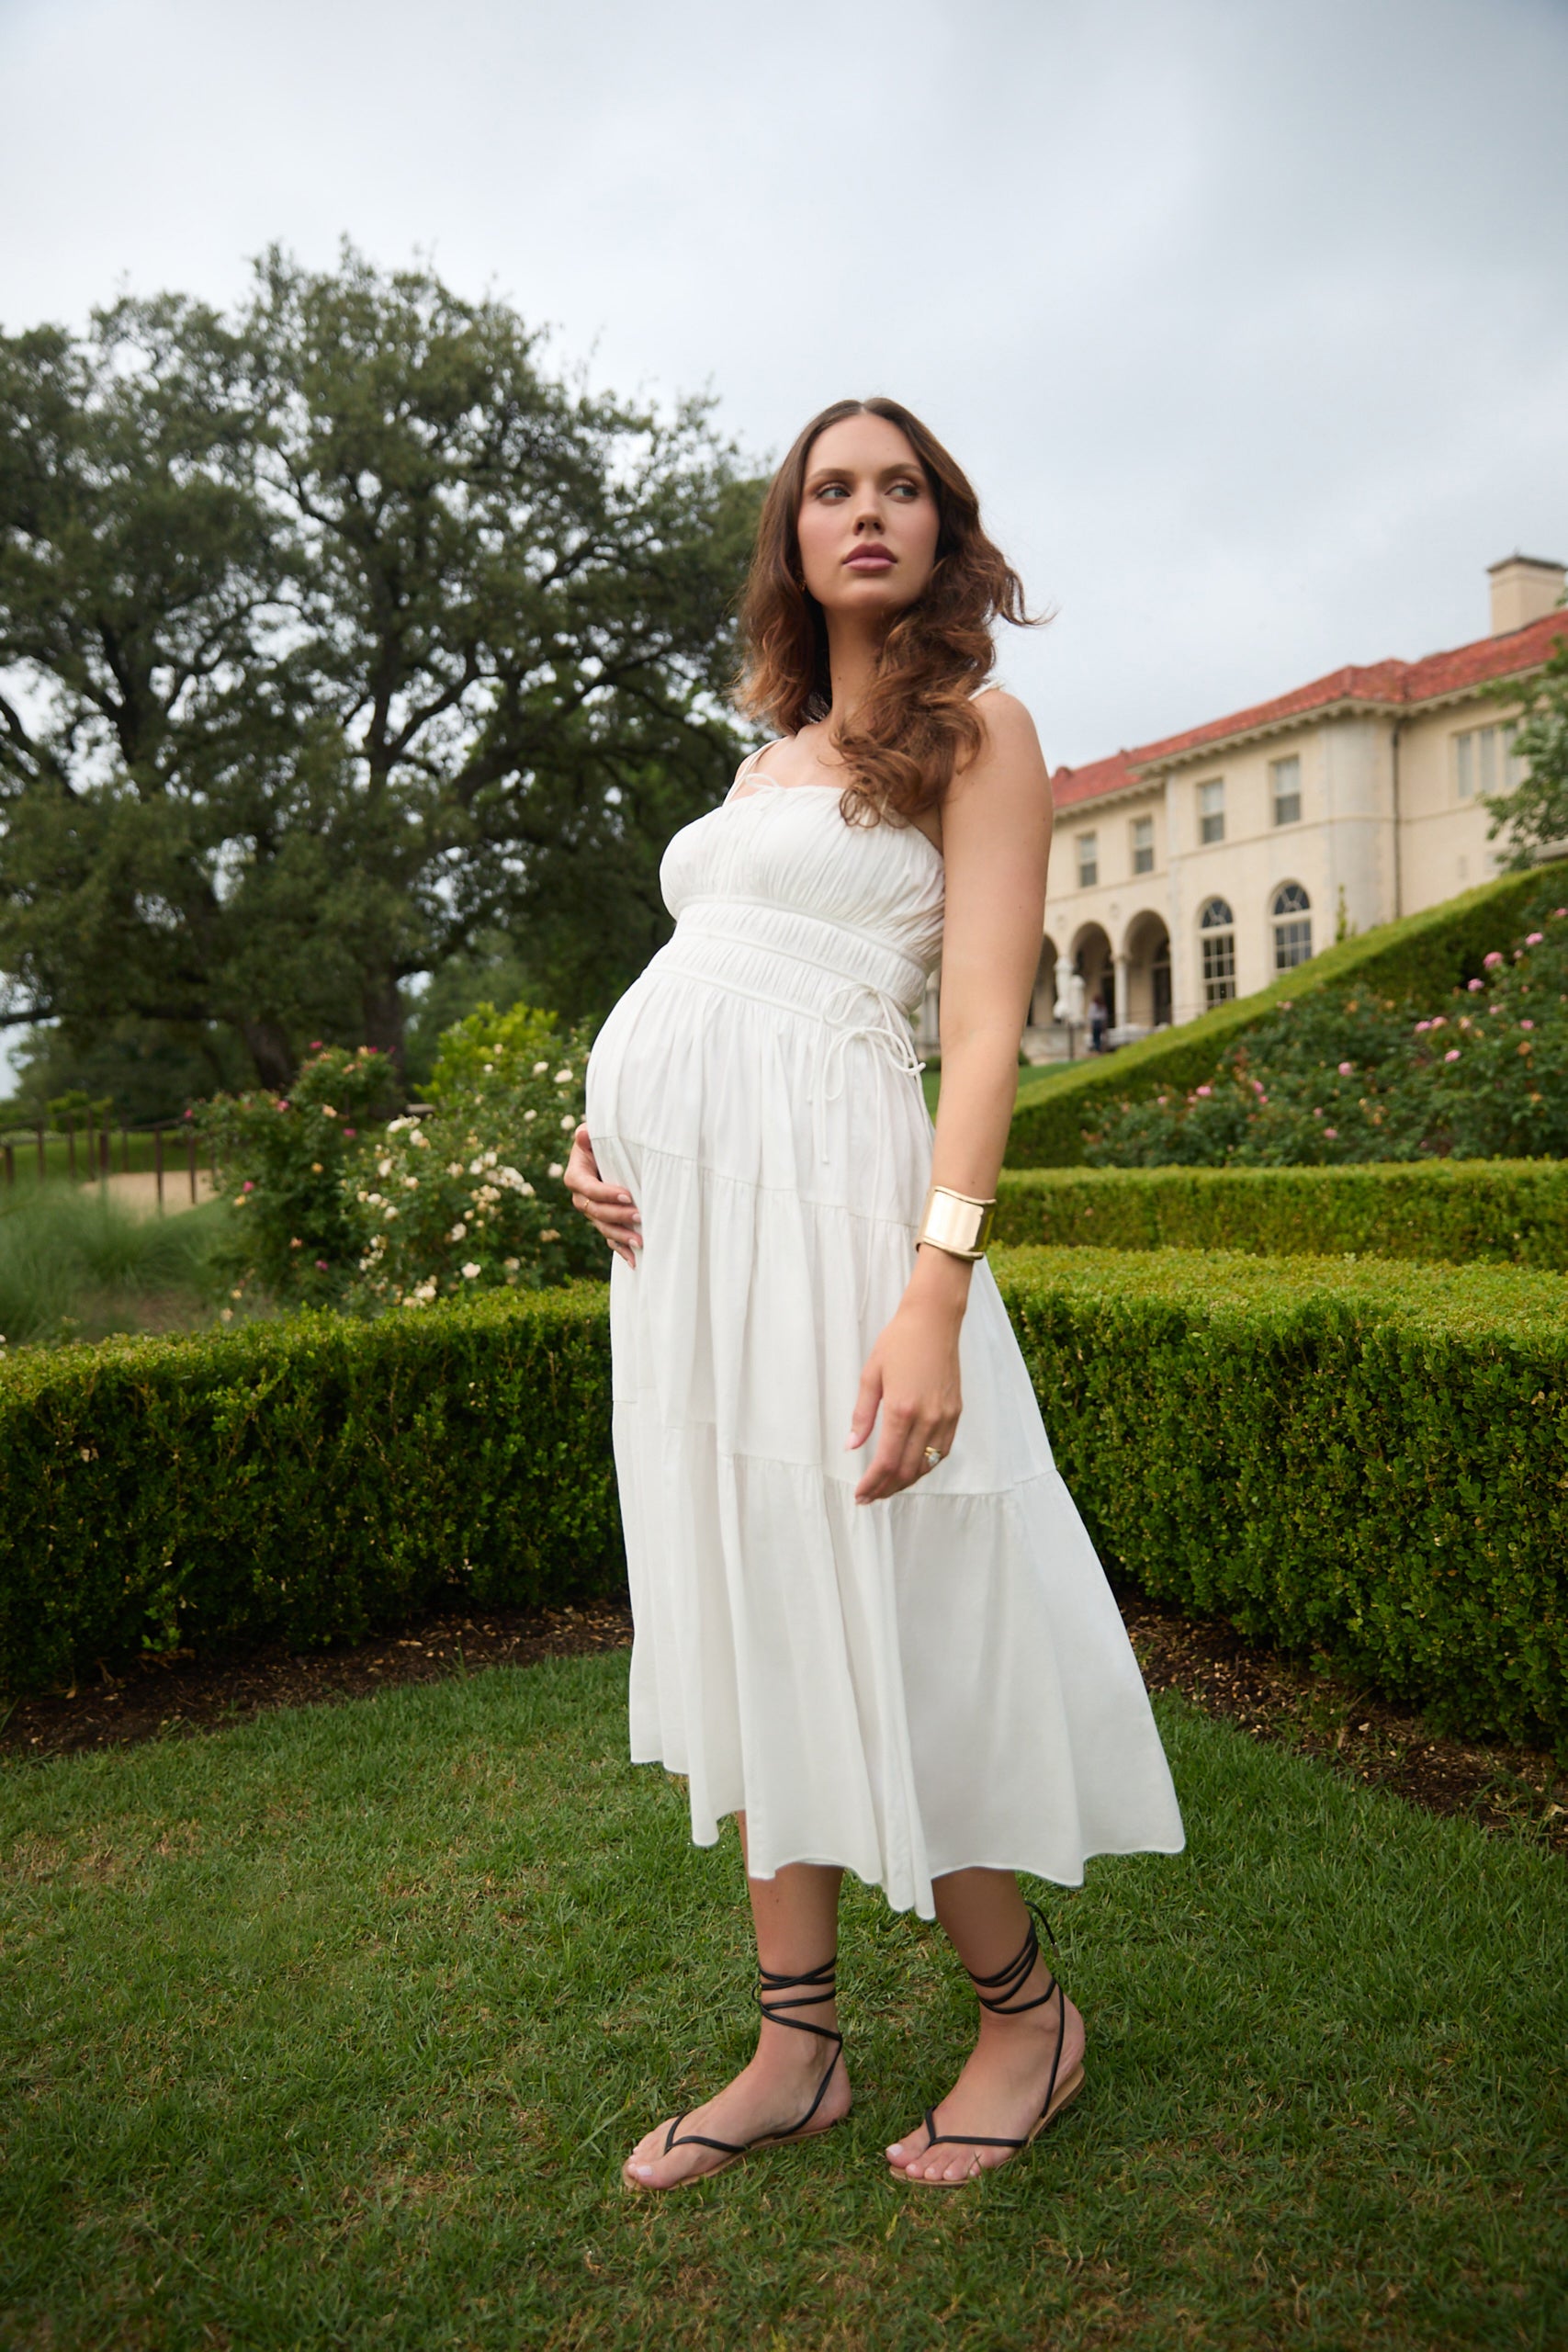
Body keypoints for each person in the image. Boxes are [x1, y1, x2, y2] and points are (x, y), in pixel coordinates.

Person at [566, 397, 1183, 2191]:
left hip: (847, 1219)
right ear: (792, 533)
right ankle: (794, 2046)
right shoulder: (763, 757)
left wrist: (934, 1281)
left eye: (896, 485)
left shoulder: (978, 732)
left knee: (885, 1590)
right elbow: (706, 979)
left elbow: (981, 1025)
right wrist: (608, 1147)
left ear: (937, 525)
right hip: (687, 1253)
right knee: (749, 1595)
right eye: (831, 486)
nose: (865, 510)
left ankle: (1023, 2015)